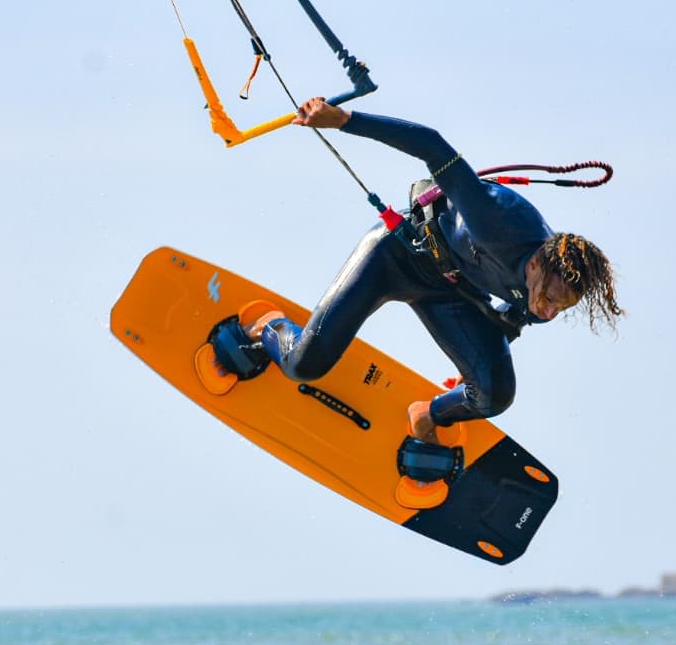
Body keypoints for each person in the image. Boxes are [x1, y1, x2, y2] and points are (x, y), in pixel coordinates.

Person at [242, 97, 623, 445]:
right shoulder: (496, 220)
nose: (551, 312)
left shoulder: (549, 294)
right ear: (537, 262)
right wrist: (343, 120)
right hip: (395, 256)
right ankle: (268, 327)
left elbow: (509, 322)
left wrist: (474, 367)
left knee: (494, 393)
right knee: (305, 365)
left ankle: (426, 414)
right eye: (551, 301)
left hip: (447, 290)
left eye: (563, 308)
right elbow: (432, 145)